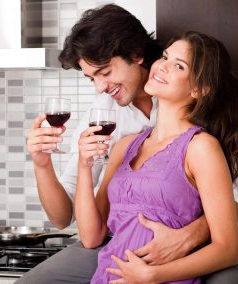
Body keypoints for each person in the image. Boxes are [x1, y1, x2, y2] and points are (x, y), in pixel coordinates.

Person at [18, 3, 238, 284]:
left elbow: (227, 224)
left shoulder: (200, 134)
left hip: (191, 246)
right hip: (119, 244)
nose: (100, 88)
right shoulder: (113, 125)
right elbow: (72, 222)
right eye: (91, 78)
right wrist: (43, 162)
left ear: (137, 55)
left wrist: (191, 235)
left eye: (106, 72)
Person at [76, 30, 238, 283]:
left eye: (179, 65)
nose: (162, 66)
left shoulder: (201, 148)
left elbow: (229, 248)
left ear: (200, 88)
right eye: (164, 57)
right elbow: (91, 236)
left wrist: (153, 275)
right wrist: (84, 167)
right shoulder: (126, 145)